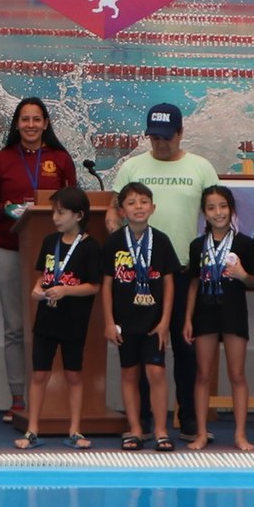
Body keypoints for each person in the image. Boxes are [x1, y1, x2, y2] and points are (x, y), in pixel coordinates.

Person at [106, 103, 220, 440]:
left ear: (181, 133)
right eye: (154, 137)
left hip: (184, 272)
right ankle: (139, 421)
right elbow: (114, 212)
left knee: (185, 346)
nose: (160, 143)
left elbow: (218, 213)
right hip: (138, 276)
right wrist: (115, 235)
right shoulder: (132, 166)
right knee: (140, 346)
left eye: (167, 137)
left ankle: (185, 418)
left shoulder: (201, 168)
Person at [0, 96, 77, 422]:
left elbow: (75, 204)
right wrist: (5, 208)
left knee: (56, 326)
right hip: (10, 248)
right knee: (15, 328)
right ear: (17, 124)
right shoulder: (1, 160)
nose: (31, 125)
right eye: (25, 119)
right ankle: (19, 398)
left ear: (46, 124)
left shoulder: (61, 159)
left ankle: (56, 397)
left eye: (37, 119)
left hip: (56, 254)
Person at [101, 182, 181, 452]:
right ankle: (135, 428)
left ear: (153, 207)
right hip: (125, 322)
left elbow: (170, 283)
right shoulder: (114, 242)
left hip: (154, 322)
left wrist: (165, 321)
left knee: (156, 373)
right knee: (129, 374)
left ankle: (160, 430)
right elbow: (107, 285)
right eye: (132, 203)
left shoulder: (160, 240)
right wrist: (109, 322)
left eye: (144, 201)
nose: (138, 207)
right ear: (122, 210)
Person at [20, 186, 101, 450]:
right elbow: (43, 274)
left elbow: (94, 286)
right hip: (46, 318)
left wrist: (67, 290)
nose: (55, 217)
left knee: (73, 375)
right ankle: (32, 430)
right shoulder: (49, 242)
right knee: (39, 374)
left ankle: (75, 429)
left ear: (78, 215)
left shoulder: (90, 247)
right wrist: (36, 288)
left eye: (61, 212)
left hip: (74, 320)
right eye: (54, 212)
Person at [182, 185, 254, 451]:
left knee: (236, 374)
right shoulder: (197, 245)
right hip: (204, 312)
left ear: (232, 209)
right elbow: (193, 283)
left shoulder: (244, 243)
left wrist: (241, 275)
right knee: (203, 374)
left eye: (223, 206)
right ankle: (201, 433)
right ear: (204, 213)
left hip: (233, 312)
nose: (218, 212)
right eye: (212, 207)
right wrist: (188, 319)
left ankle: (240, 434)